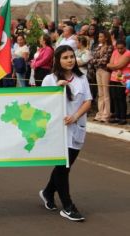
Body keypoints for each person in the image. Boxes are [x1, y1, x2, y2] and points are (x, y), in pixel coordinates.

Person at [39, 45, 92, 222]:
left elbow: (87, 101)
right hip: (58, 131)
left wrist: (75, 116)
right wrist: (57, 89)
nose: (70, 60)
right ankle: (68, 207)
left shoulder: (81, 78)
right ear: (57, 60)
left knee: (64, 167)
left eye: (71, 57)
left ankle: (47, 192)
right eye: (65, 57)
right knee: (63, 168)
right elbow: (42, 103)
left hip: (76, 129)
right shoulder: (50, 79)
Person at [90, 30, 113, 122]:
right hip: (98, 70)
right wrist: (97, 60)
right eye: (99, 37)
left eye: (101, 37)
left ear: (106, 38)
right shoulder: (98, 46)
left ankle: (106, 114)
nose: (99, 38)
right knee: (100, 93)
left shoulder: (110, 47)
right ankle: (99, 113)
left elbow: (105, 60)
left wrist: (96, 60)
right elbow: (92, 58)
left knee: (106, 92)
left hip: (105, 71)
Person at [107, 40, 130, 125]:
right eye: (118, 48)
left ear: (125, 46)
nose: (119, 50)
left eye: (122, 48)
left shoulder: (128, 53)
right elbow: (109, 64)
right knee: (114, 97)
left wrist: (113, 66)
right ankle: (116, 116)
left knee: (121, 98)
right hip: (113, 78)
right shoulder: (115, 51)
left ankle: (123, 117)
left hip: (123, 79)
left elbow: (119, 65)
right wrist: (113, 66)